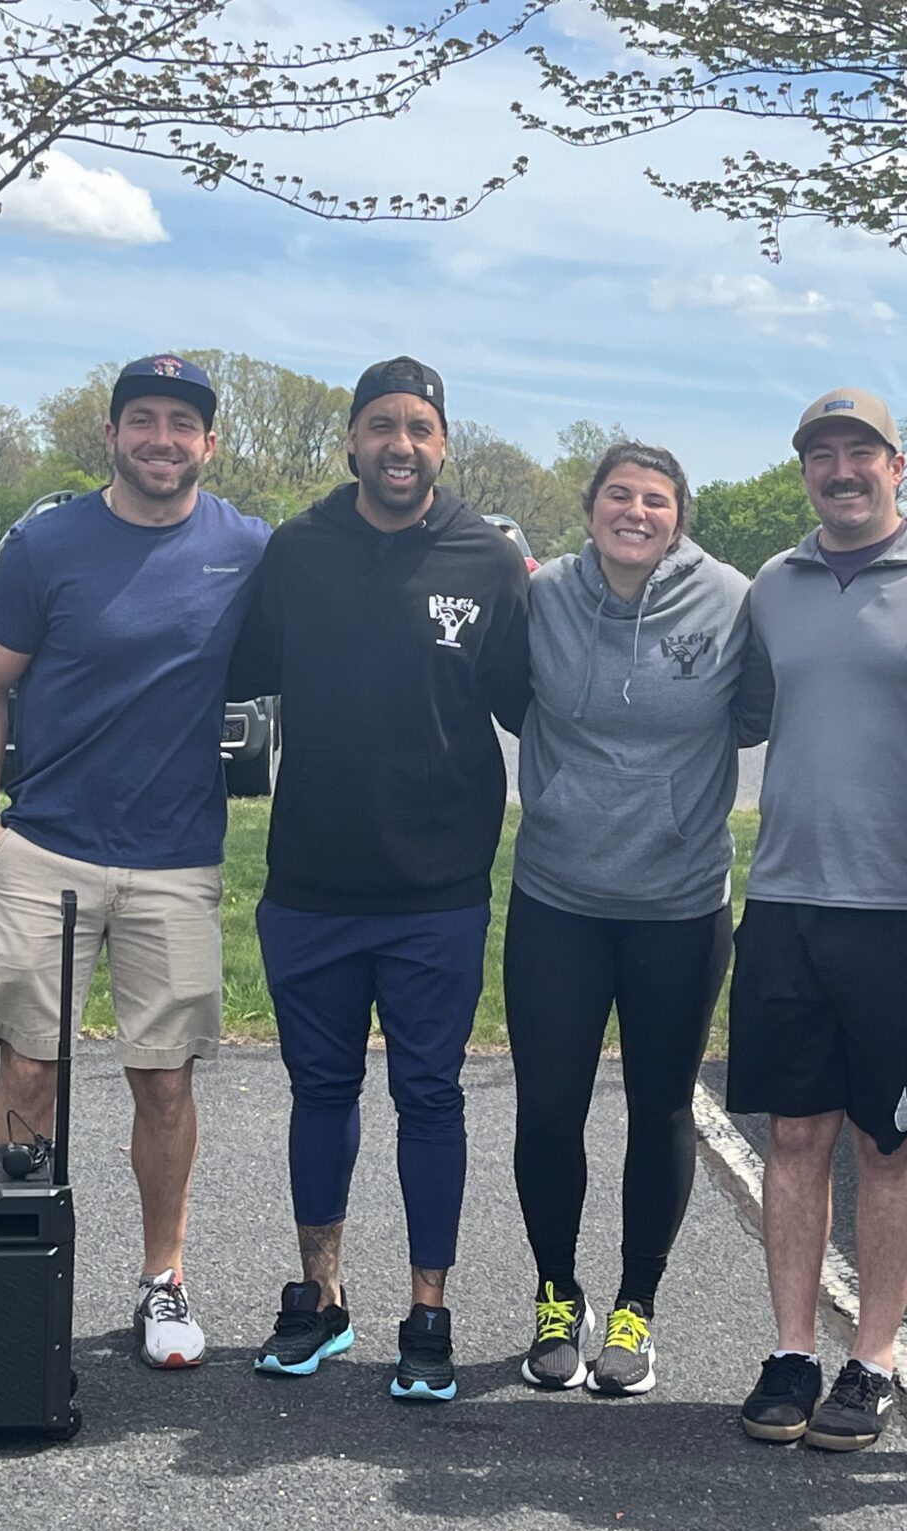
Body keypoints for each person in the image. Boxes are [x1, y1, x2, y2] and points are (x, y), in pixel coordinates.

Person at [0, 353, 269, 1369]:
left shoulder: (246, 549)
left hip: (176, 859)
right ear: (111, 433)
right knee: (30, 1067)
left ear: (209, 444)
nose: (162, 440)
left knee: (164, 1084)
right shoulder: (47, 544)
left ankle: (162, 1281)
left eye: (183, 424)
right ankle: (7, 1257)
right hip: (45, 847)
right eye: (143, 420)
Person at [231, 356, 530, 1402]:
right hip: (310, 881)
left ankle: (428, 1312)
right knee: (321, 1093)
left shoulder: (488, 560)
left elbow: (536, 705)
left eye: (421, 427)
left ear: (443, 444)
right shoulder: (297, 551)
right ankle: (321, 1300)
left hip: (437, 889)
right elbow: (221, 668)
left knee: (428, 1095)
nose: (400, 444)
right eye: (380, 426)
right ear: (350, 441)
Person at [728, 388, 907, 1452]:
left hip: (903, 914)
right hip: (783, 898)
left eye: (857, 451)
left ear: (896, 464)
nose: (838, 469)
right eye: (819, 454)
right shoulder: (772, 587)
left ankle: (870, 1358)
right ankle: (788, 1352)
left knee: (888, 1141)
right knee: (792, 1133)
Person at [506, 442, 757, 1397]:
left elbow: (761, 709)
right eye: (620, 495)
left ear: (679, 515)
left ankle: (635, 1308)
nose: (637, 512)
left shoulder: (730, 601)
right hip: (558, 899)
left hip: (679, 906)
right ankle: (556, 1297)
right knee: (550, 1109)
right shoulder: (545, 596)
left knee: (660, 1110)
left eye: (656, 499)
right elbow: (502, 692)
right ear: (590, 508)